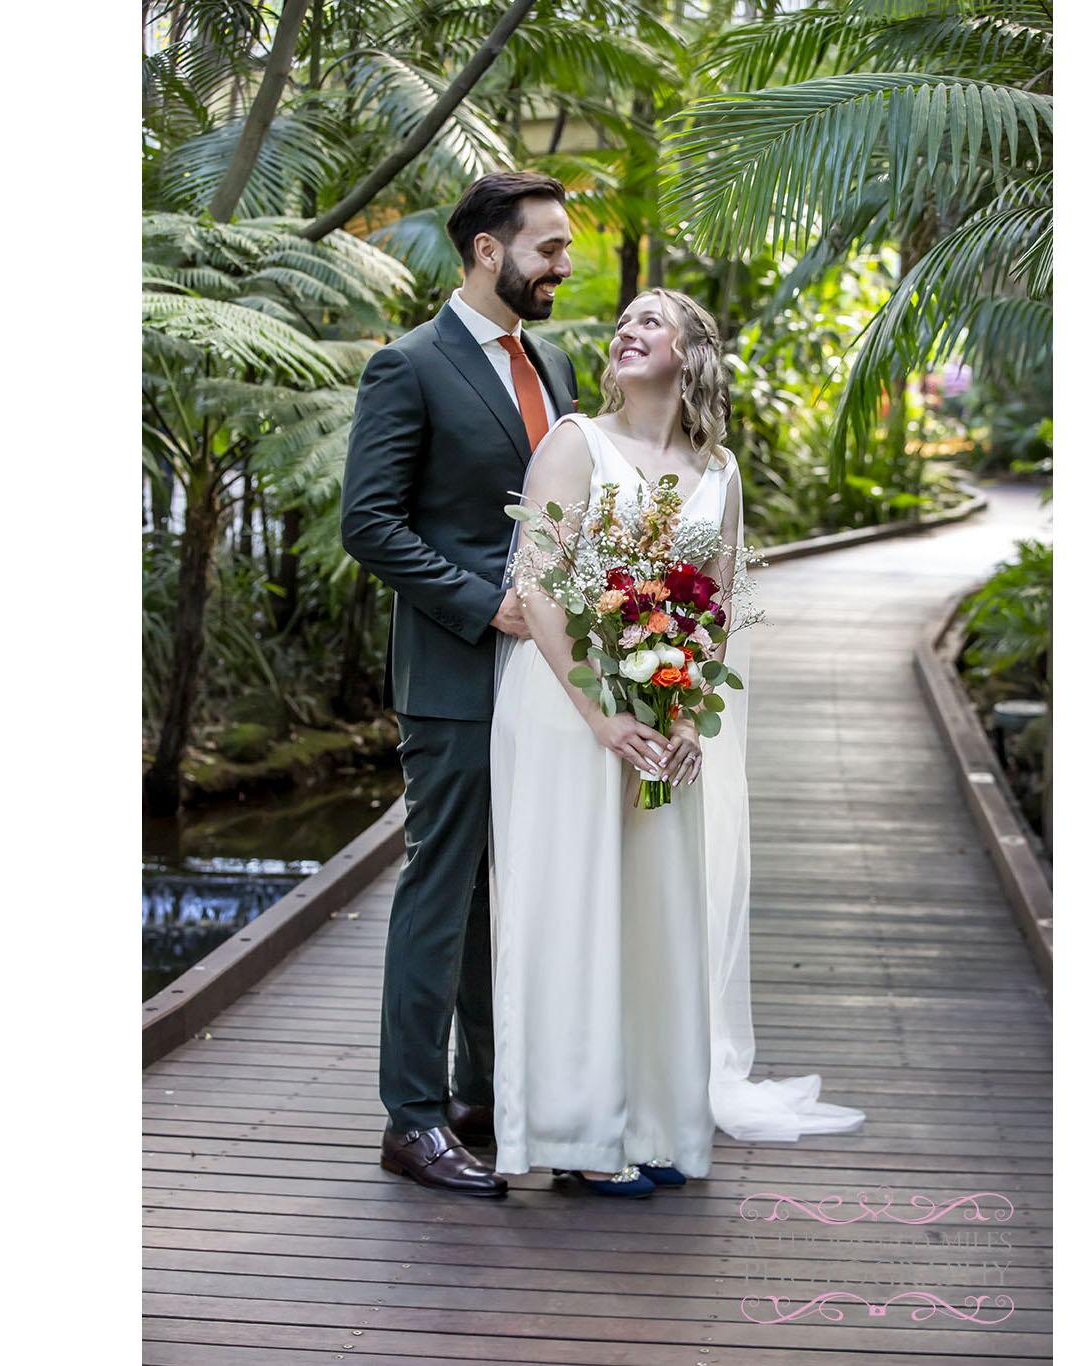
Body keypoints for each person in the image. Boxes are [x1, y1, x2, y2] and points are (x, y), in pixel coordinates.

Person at [489, 289, 866, 1198]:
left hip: (663, 711)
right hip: (570, 711)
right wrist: (600, 715)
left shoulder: (719, 471)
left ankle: (654, 1122)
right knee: (576, 909)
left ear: (693, 351)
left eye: (651, 321)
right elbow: (538, 587)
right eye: (624, 322)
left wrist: (688, 718)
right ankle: (580, 1134)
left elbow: (718, 605)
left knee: (657, 918)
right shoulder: (576, 443)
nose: (628, 330)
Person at [341, 171, 578, 1196]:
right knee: (440, 892)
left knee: (509, 889)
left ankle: (485, 1094)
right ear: (488, 250)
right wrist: (486, 604)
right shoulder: (408, 366)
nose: (562, 265)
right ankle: (412, 1118)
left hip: (549, 682)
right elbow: (370, 523)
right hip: (453, 674)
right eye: (548, 247)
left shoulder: (554, 363)